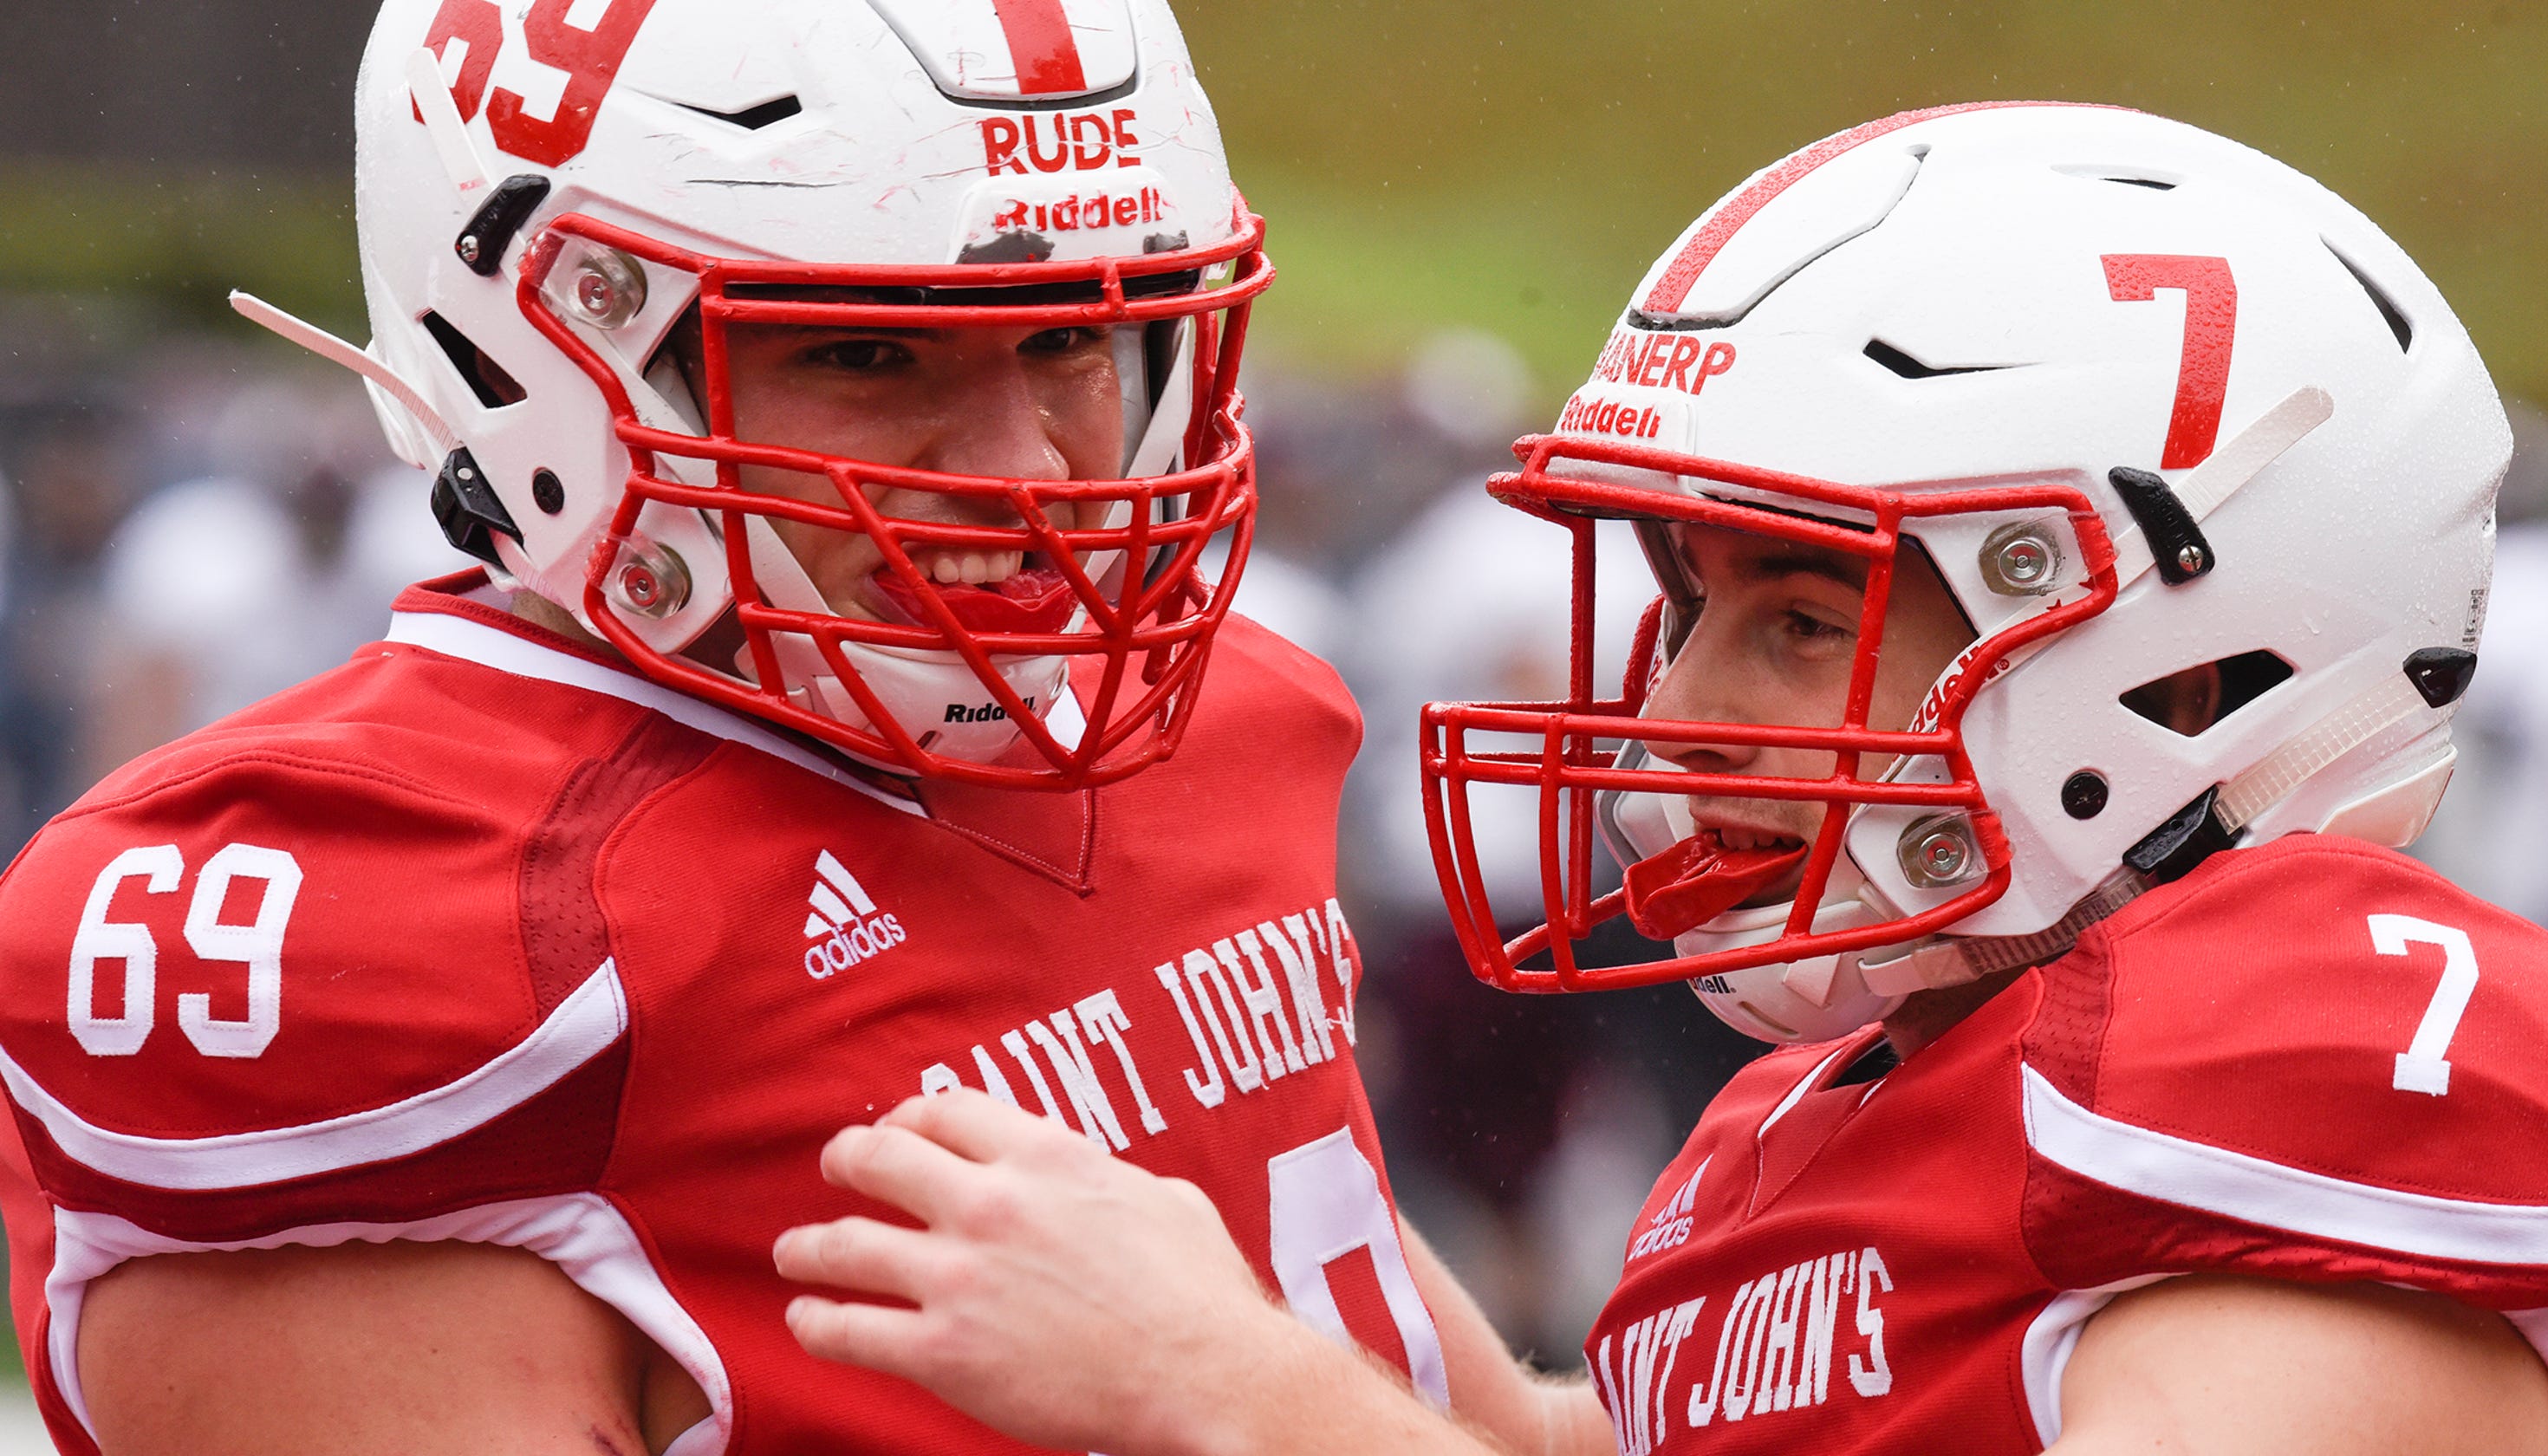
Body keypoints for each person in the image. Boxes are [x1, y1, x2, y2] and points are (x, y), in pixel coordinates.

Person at [774, 103, 2548, 1453]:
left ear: (2181, 667)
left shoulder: (2308, 1067)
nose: (1670, 717)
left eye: (1799, 623)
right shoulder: (1852, 1097)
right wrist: (1291, 1273)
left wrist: (1233, 1389)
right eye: (1692, 600)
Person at [0, 2, 1597, 1453]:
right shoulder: (423, 922)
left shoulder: (1222, 718)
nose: (1032, 473)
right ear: (540, 356)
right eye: (869, 350)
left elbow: (1485, 1427)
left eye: (1069, 340)